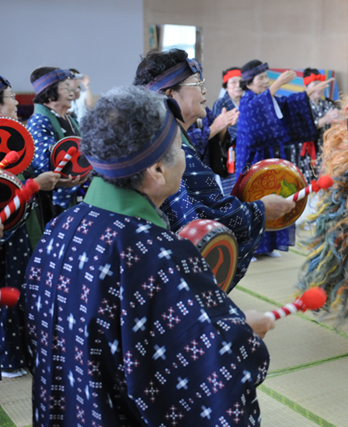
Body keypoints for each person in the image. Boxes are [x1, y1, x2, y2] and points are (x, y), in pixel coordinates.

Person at [23, 85, 274, 425]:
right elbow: (206, 371)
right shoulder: (158, 252)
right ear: (157, 170)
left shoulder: (60, 227)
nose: (186, 158)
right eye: (180, 148)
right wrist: (243, 332)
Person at [134, 49, 294, 289]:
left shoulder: (171, 139)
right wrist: (260, 210)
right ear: (169, 94)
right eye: (197, 83)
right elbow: (203, 220)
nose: (204, 90)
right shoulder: (168, 150)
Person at [235, 60, 331, 256]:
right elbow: (257, 110)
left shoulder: (270, 98)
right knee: (255, 197)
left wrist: (306, 94)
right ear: (249, 83)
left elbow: (288, 106)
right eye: (260, 78)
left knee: (276, 193)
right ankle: (252, 248)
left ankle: (270, 245)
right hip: (253, 159)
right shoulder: (247, 101)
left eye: (265, 78)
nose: (265, 82)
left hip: (272, 155)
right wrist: (277, 83)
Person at [0, 75, 60, 378]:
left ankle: (18, 356)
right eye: (10, 95)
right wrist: (36, 185)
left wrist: (47, 180)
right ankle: (9, 360)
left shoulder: (13, 138)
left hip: (19, 232)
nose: (15, 102)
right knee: (9, 294)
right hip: (8, 238)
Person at [25, 67, 88, 235]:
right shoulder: (39, 121)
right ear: (50, 93)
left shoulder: (72, 119)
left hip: (79, 193)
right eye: (66, 87)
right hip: (55, 203)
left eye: (71, 87)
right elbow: (44, 163)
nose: (72, 91)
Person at [303, 68, 340, 177]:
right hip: (308, 151)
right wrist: (326, 118)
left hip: (326, 149)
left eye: (321, 84)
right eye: (315, 85)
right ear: (306, 87)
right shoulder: (302, 105)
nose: (319, 88)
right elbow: (305, 128)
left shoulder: (327, 104)